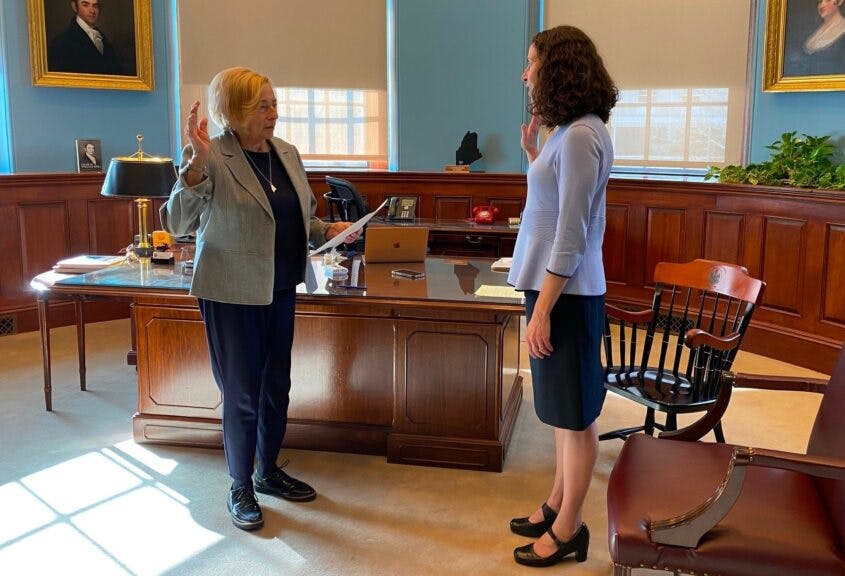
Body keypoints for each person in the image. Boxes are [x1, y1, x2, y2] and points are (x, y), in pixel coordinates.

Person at [160, 67, 358, 531]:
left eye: (273, 103)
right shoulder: (211, 156)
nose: (273, 112)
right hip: (231, 292)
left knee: (276, 387)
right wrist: (195, 163)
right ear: (234, 111)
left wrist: (329, 230)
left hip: (281, 285)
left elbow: (298, 221)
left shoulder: (285, 153)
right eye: (262, 105)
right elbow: (177, 221)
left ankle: (267, 471)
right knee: (243, 392)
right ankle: (239, 485)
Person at [507, 26, 617, 567]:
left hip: (566, 294)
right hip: (556, 288)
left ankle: (570, 527)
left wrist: (544, 309)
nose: (525, 74)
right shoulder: (567, 132)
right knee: (560, 413)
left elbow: (570, 232)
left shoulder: (578, 136)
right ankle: (556, 501)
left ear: (560, 67)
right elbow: (553, 203)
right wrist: (533, 153)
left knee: (575, 417)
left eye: (532, 63)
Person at [48, 0, 123, 75]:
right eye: (85, 5)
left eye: (95, 6)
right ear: (74, 7)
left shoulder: (102, 37)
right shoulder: (62, 42)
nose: (92, 11)